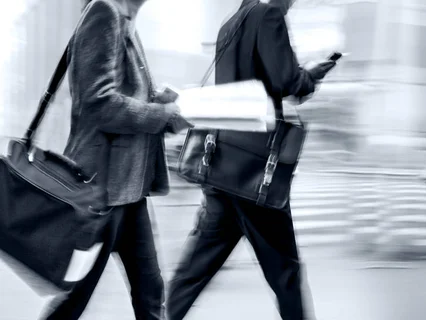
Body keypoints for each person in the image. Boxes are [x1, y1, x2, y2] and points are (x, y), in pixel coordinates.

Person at [165, 0, 336, 319]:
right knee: (286, 273)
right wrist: (310, 76)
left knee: (193, 272)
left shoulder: (229, 24)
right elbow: (287, 81)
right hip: (256, 172)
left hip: (220, 166)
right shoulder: (267, 14)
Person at [40, 0, 192, 319]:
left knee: (150, 293)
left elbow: (126, 97)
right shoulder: (104, 12)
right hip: (101, 190)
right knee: (73, 301)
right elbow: (98, 103)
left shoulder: (125, 19)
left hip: (128, 192)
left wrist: (160, 103)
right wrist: (161, 115)